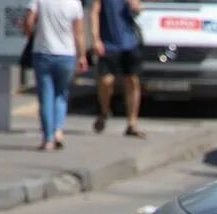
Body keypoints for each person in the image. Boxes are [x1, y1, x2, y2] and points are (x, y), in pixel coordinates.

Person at [25, 0, 87, 151]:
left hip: (43, 52)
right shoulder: (74, 3)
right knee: (61, 94)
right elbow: (78, 33)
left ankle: (48, 139)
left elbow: (28, 21)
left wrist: (31, 37)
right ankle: (58, 131)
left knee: (46, 96)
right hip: (66, 54)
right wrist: (82, 56)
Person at [89, 0, 145, 138]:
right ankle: (104, 111)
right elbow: (94, 12)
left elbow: (138, 9)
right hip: (108, 44)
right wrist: (95, 39)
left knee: (132, 80)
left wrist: (135, 6)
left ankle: (132, 123)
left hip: (130, 42)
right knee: (106, 81)